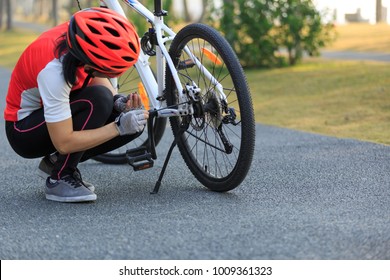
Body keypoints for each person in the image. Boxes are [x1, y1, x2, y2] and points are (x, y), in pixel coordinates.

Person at [4, 7, 149, 203]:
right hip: (22, 130)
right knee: (97, 101)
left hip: (50, 113)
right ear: (89, 64)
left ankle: (55, 163)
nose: (107, 76)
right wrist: (118, 127)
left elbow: (94, 77)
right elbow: (63, 142)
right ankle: (60, 178)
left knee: (133, 121)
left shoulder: (82, 38)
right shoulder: (53, 72)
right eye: (104, 70)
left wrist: (118, 102)